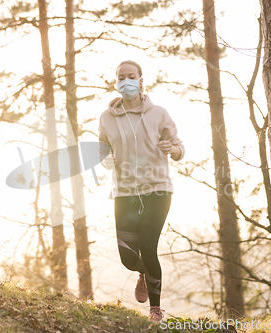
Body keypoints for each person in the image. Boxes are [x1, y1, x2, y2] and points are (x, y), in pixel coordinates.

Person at [98, 60, 185, 323]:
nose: (126, 80)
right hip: (124, 192)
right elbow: (102, 147)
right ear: (116, 81)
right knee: (127, 256)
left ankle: (155, 310)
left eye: (131, 76)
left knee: (148, 247)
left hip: (158, 189)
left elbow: (180, 147)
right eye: (121, 76)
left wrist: (173, 150)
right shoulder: (106, 118)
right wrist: (105, 159)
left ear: (140, 80)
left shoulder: (158, 113)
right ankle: (143, 275)